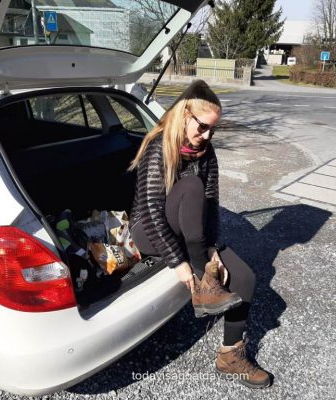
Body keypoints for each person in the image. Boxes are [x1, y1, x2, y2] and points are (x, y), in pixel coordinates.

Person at [128, 80, 271, 389]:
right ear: (184, 114)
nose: (207, 135)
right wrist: (178, 262)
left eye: (212, 130)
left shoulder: (206, 152)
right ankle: (203, 280)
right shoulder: (158, 147)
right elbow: (152, 213)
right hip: (149, 232)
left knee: (245, 277)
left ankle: (230, 355)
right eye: (203, 127)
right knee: (191, 187)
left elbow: (212, 205)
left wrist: (215, 246)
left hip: (188, 232)